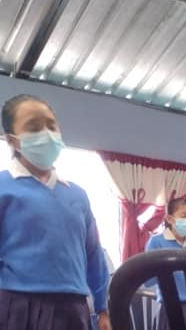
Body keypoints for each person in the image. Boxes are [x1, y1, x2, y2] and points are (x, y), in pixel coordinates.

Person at [0, 94, 111, 330]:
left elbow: (93, 256)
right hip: (18, 307)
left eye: (51, 125)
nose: (46, 133)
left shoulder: (77, 195)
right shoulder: (3, 188)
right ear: (12, 140)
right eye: (33, 126)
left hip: (74, 309)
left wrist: (103, 309)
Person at [145, 198, 186, 330]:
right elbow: (148, 280)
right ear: (170, 219)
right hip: (169, 306)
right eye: (184, 216)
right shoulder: (156, 242)